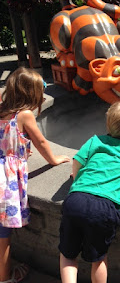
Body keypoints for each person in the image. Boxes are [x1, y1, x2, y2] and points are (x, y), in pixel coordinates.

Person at [59, 101, 120, 283]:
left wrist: (76, 177)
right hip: (105, 207)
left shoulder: (95, 140)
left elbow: (78, 160)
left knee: (68, 254)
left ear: (107, 124)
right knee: (98, 259)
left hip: (77, 199)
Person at [0, 67, 70, 283]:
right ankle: (5, 278)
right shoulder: (24, 114)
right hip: (5, 180)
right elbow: (40, 141)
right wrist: (54, 159)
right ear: (32, 93)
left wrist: (18, 149)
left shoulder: (2, 109)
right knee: (3, 236)